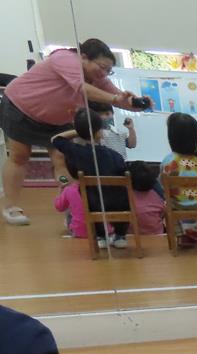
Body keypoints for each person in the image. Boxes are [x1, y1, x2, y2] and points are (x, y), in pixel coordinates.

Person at [0, 38, 148, 226]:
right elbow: (83, 89)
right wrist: (115, 98)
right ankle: (10, 206)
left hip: (57, 120)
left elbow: (118, 98)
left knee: (61, 159)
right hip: (20, 107)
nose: (103, 73)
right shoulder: (65, 58)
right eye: (102, 67)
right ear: (84, 57)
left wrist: (138, 104)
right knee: (20, 156)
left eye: (108, 70)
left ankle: (72, 207)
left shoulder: (98, 77)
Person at [51, 108, 131, 249]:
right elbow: (124, 173)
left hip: (93, 205)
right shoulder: (115, 156)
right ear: (99, 131)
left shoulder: (76, 152)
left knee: (91, 197)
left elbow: (55, 140)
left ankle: (101, 236)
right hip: (118, 204)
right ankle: (120, 235)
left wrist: (80, 131)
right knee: (120, 196)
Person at [161, 113, 197, 248]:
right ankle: (194, 234)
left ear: (172, 137)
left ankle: (182, 235)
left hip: (177, 207)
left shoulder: (168, 162)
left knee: (166, 203)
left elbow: (163, 185)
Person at [127, 161, 165, 235]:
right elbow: (162, 213)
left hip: (132, 237)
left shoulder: (126, 196)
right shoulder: (157, 196)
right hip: (157, 236)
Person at [52, 162, 85, 239]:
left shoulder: (69, 189)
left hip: (77, 231)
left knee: (70, 204)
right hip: (99, 231)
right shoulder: (97, 187)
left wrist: (61, 190)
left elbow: (59, 206)